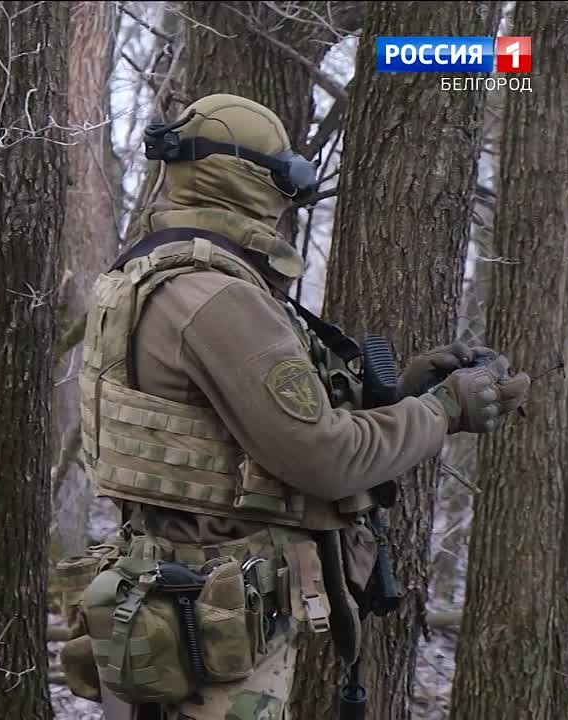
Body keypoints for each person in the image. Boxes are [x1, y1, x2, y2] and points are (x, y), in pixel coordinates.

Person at [60, 94, 530, 720]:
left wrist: (407, 386)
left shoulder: (151, 275)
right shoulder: (218, 297)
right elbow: (325, 456)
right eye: (287, 173)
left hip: (161, 593)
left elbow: (229, 422)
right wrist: (444, 409)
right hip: (210, 617)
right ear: (255, 181)